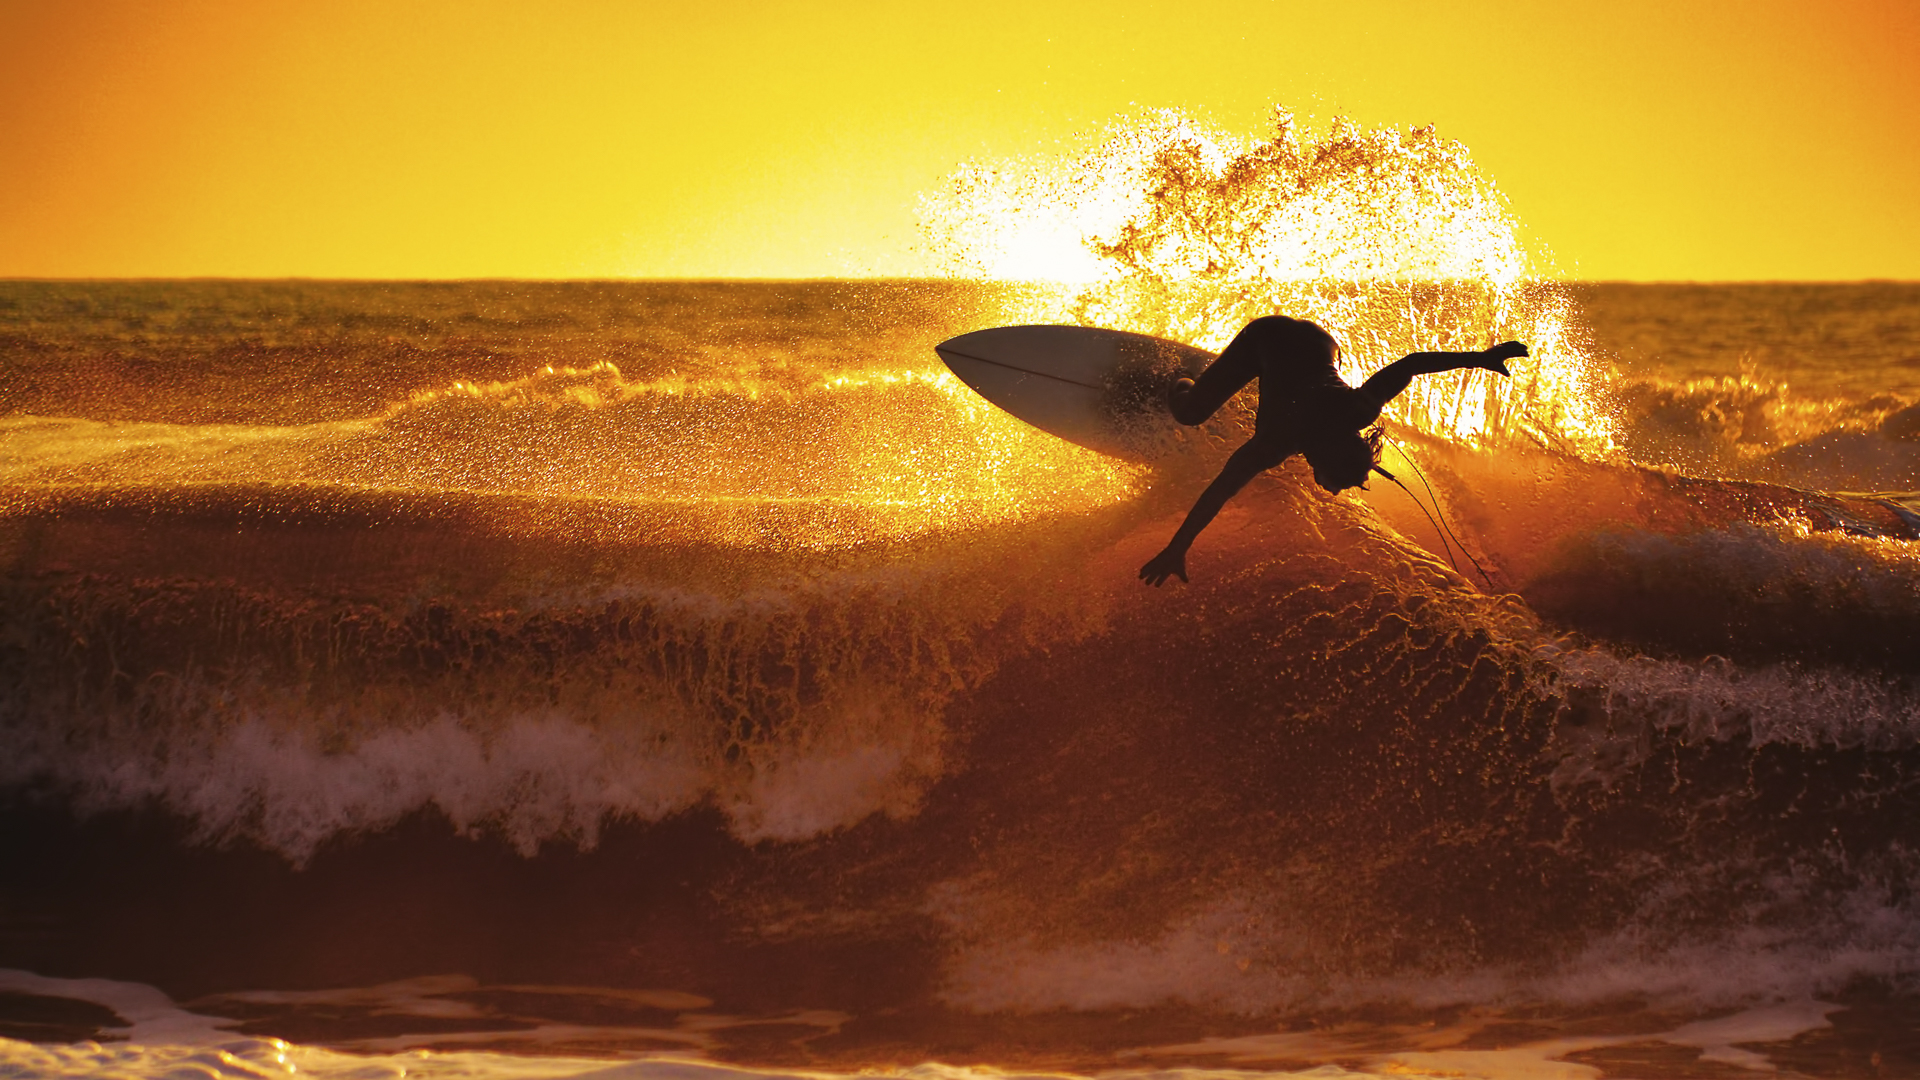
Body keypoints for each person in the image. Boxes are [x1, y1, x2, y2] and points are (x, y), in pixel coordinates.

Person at [1138, 315, 1528, 586]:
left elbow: (1411, 365)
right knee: (1191, 415)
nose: (1337, 491)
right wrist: (1177, 549)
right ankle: (1178, 379)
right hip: (1267, 337)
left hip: (1322, 342)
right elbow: (1218, 492)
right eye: (1339, 482)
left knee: (1293, 381)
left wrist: (1481, 358)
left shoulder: (1358, 410)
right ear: (1323, 458)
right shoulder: (1275, 442)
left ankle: (1233, 378)